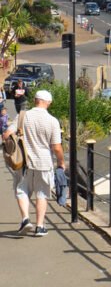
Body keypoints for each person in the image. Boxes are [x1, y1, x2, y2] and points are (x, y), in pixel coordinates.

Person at [8, 90, 65, 237]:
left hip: (23, 162)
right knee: (42, 193)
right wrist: (61, 163)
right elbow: (57, 147)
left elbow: (6, 134)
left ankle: (26, 218)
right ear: (48, 103)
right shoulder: (53, 121)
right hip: (44, 162)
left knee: (21, 190)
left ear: (35, 100)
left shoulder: (22, 116)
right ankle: (40, 226)